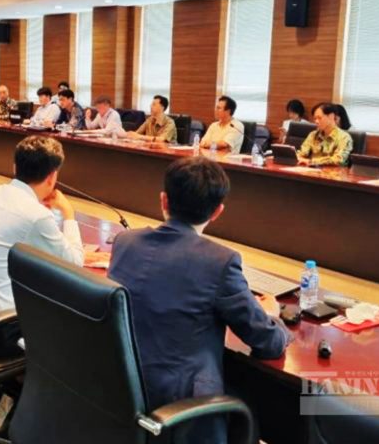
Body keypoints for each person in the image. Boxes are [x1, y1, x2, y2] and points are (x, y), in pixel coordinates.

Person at [108, 156, 290, 443]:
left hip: (119, 388)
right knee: (260, 404)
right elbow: (267, 342)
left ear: (163, 200)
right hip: (181, 405)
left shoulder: (125, 242)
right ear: (218, 211)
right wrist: (272, 315)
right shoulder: (221, 261)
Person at [0, 135, 84, 316]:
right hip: (8, 315)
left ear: (14, 167)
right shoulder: (37, 215)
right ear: (52, 177)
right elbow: (75, 264)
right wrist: (69, 213)